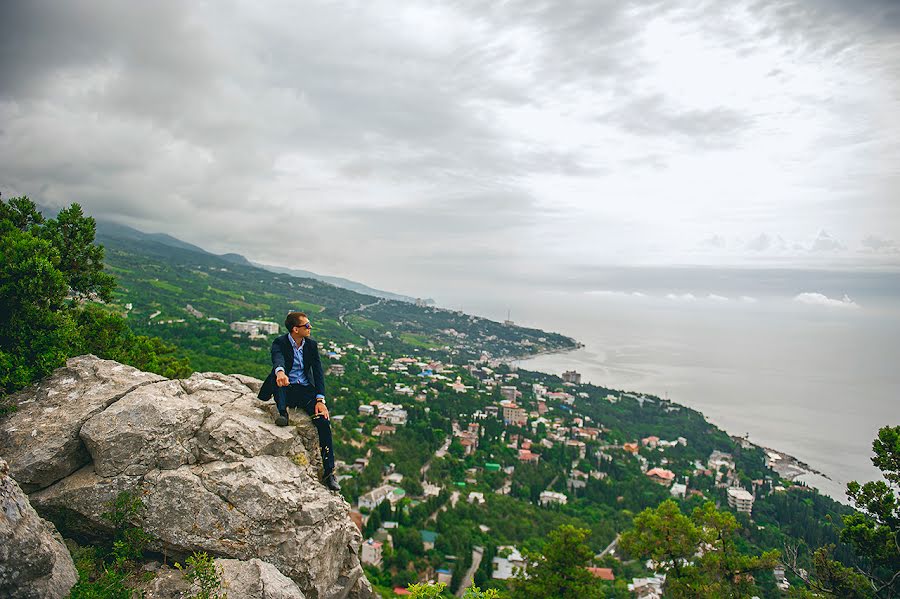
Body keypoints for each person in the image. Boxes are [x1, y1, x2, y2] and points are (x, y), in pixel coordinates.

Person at [258, 311, 340, 491]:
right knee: (278, 376)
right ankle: (282, 413)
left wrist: (320, 400)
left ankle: (329, 473)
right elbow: (277, 358)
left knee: (323, 422)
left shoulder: (311, 346)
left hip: (305, 390)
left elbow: (317, 373)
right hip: (285, 386)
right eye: (307, 326)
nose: (310, 328)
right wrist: (280, 371)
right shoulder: (280, 342)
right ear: (296, 329)